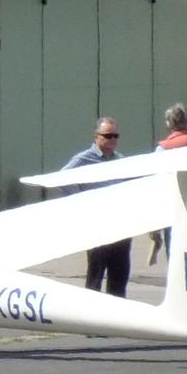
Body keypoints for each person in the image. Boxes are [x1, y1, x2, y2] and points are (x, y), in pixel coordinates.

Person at [57, 117, 131, 297]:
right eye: (107, 136)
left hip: (121, 225)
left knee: (120, 274)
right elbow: (62, 178)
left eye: (115, 136)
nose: (112, 140)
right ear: (96, 137)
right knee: (96, 274)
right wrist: (82, 200)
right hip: (98, 225)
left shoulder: (121, 160)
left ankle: (117, 315)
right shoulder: (84, 159)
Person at [150, 103, 187, 262]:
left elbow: (158, 184)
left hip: (175, 205)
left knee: (175, 253)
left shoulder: (163, 149)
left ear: (168, 124)